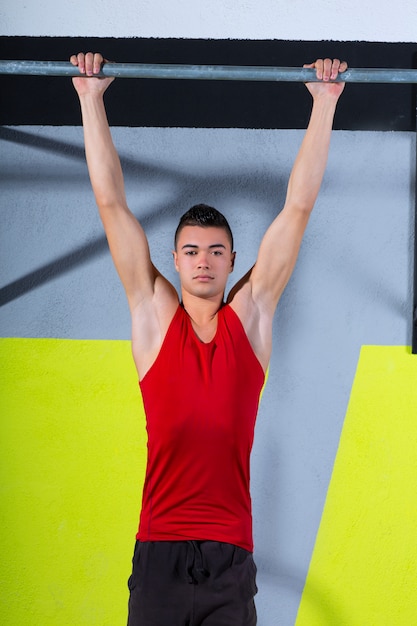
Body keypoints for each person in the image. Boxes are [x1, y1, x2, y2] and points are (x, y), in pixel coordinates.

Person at [70, 52, 347, 626]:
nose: (203, 262)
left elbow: (297, 208)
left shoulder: (250, 320)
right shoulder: (152, 316)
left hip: (229, 558)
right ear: (174, 259)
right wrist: (90, 100)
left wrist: (324, 105)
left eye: (216, 252)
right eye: (192, 251)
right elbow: (111, 204)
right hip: (159, 553)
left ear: (231, 262)